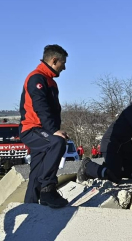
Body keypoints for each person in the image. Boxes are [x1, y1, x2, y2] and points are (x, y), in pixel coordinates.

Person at [19, 44, 69, 208]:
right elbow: (41, 108)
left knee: (37, 169)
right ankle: (48, 190)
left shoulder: (50, 82)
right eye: (63, 63)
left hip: (42, 131)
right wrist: (54, 131)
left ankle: (30, 207)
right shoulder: (37, 78)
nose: (65, 67)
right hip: (32, 129)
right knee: (57, 142)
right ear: (54, 60)